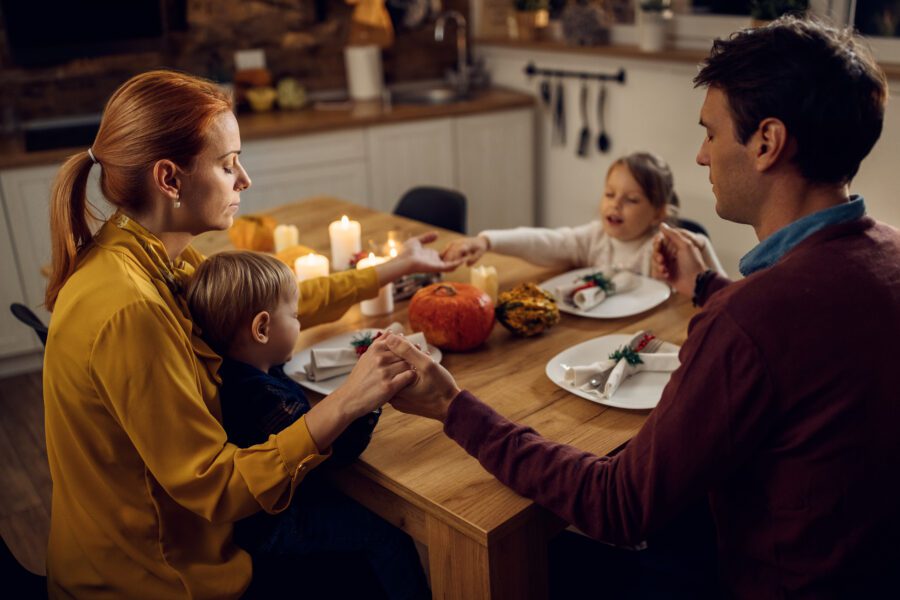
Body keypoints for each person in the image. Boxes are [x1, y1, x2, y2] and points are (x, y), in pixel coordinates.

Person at [384, 16, 900, 598]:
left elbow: (618, 505)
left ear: (766, 142)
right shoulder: (887, 255)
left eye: (711, 132)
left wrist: (455, 407)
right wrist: (707, 287)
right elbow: (800, 340)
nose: (702, 156)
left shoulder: (751, 321)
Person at [41, 70, 458, 598]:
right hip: (159, 578)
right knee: (382, 546)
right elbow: (216, 487)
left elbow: (256, 310)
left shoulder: (148, 254)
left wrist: (387, 270)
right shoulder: (130, 308)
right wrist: (348, 402)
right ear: (169, 179)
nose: (244, 180)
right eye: (227, 163)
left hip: (176, 548)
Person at [185, 251, 428, 599]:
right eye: (296, 316)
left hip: (261, 516)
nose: (301, 323)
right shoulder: (262, 397)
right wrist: (370, 400)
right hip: (275, 525)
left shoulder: (238, 373)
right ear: (262, 328)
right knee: (385, 531)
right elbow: (339, 452)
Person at [441, 151, 725, 277]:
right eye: (610, 194)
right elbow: (547, 242)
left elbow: (710, 289)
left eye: (631, 200)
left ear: (657, 214)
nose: (615, 205)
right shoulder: (595, 238)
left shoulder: (661, 250)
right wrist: (488, 241)